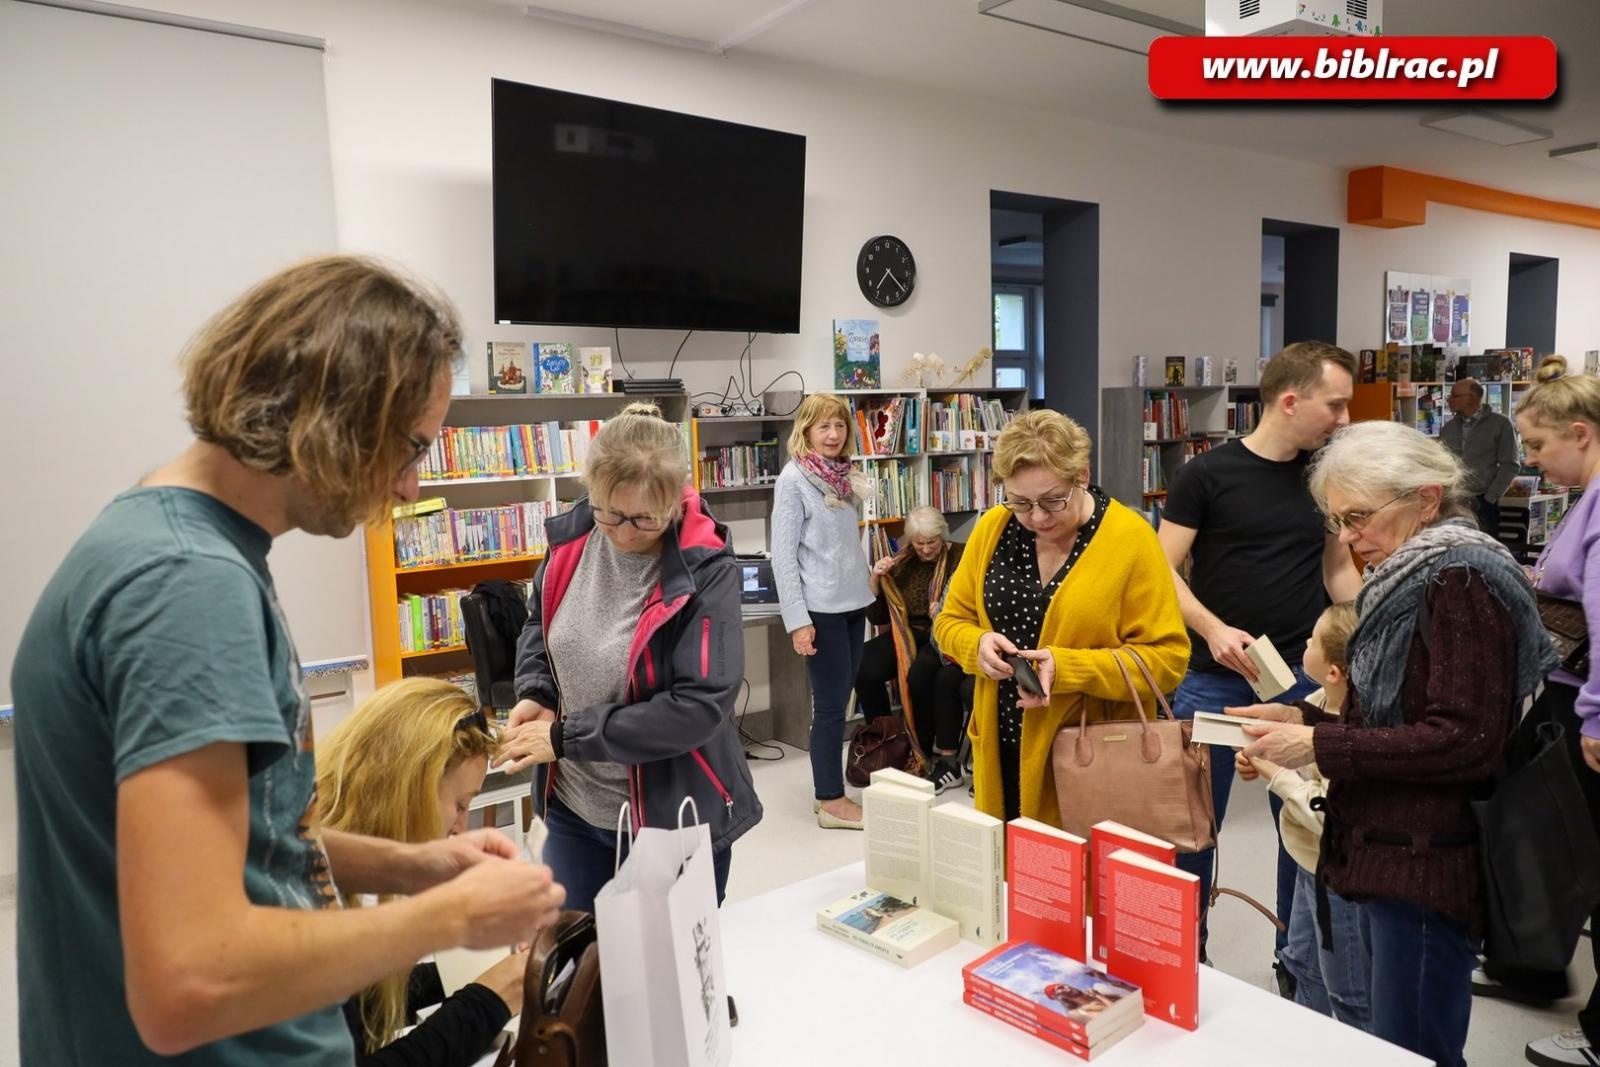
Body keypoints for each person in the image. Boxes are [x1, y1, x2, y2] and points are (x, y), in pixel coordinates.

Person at [10, 256, 565, 1064]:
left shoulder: (164, 538)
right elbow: (189, 981)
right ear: (334, 414)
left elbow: (245, 836)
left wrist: (419, 865)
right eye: (411, 447)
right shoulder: (187, 587)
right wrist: (452, 917)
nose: (411, 489)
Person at [1233, 420, 1555, 1067]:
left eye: (1358, 517)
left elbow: (1463, 741)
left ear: (1426, 499)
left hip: (1429, 862)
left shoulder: (1461, 580)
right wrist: (1303, 718)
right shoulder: (1409, 575)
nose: (1348, 538)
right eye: (1338, 520)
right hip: (1393, 851)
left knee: (1413, 1050)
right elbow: (1396, 718)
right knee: (1390, 1042)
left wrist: (1318, 747)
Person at [499, 401, 762, 912]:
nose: (621, 533)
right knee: (575, 970)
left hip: (670, 820)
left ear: (675, 502)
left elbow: (698, 706)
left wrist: (565, 736)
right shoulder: (572, 538)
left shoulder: (706, 569)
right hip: (572, 806)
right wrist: (537, 692)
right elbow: (539, 623)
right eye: (609, 513)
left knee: (664, 977)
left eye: (644, 519)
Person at [1157, 340, 1363, 972]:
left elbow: (1336, 572)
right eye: (1336, 404)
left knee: (1301, 826)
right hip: (1211, 680)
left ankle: (1292, 960)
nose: (1345, 420)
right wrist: (1214, 629)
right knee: (1193, 827)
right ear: (1291, 400)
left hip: (1302, 691)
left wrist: (1368, 629)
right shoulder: (1207, 474)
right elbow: (1161, 570)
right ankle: (1183, 957)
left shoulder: (1323, 479)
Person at [932, 410, 1189, 825]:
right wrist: (975, 645)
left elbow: (1168, 660)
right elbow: (949, 622)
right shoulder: (992, 529)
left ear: (1082, 475)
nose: (1036, 518)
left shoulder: (1130, 539)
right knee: (1009, 877)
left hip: (1090, 755)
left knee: (1073, 881)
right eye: (1019, 502)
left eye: (1053, 500)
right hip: (1002, 749)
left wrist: (1068, 668)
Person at [1476, 368, 1600, 1067]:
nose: (1530, 459)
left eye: (1538, 443)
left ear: (1580, 434)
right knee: (1544, 839)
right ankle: (1531, 961)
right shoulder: (1586, 498)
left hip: (1582, 706)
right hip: (1567, 694)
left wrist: (1596, 719)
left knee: (1577, 851)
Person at [317, 678, 529, 1065]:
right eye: (461, 805)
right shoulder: (311, 904)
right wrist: (490, 998)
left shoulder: (328, 868)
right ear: (409, 791)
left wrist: (468, 979)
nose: (462, 829)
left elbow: (364, 1002)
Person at [1235, 602, 1370, 1029]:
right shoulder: (1316, 702)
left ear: (1334, 671)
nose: (1305, 644)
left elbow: (1328, 813)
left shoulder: (1357, 728)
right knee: (1301, 961)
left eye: (1312, 641)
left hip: (1341, 876)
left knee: (1349, 991)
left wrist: (1273, 773)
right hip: (1308, 866)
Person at [771, 393, 876, 829]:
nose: (833, 435)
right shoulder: (793, 479)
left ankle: (831, 792)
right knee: (831, 708)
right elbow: (783, 555)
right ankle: (830, 800)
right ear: (807, 432)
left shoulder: (843, 476)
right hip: (821, 611)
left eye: (839, 426)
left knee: (841, 697)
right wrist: (798, 622)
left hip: (853, 603)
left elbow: (840, 546)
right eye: (823, 427)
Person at [855, 505, 969, 792]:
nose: (927, 549)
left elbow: (971, 600)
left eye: (932, 542)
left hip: (941, 635)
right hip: (906, 633)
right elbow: (878, 617)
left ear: (942, 536)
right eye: (920, 543)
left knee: (921, 675)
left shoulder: (961, 555)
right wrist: (875, 581)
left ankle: (924, 750)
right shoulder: (901, 562)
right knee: (863, 667)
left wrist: (943, 613)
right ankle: (887, 738)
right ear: (910, 541)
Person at [1440, 377, 1519, 535]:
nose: (1450, 400)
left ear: (1473, 398)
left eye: (1455, 396)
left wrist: (1491, 497)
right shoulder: (1448, 428)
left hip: (1483, 500)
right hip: (1454, 499)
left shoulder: (1500, 424)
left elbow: (1510, 465)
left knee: (1484, 550)